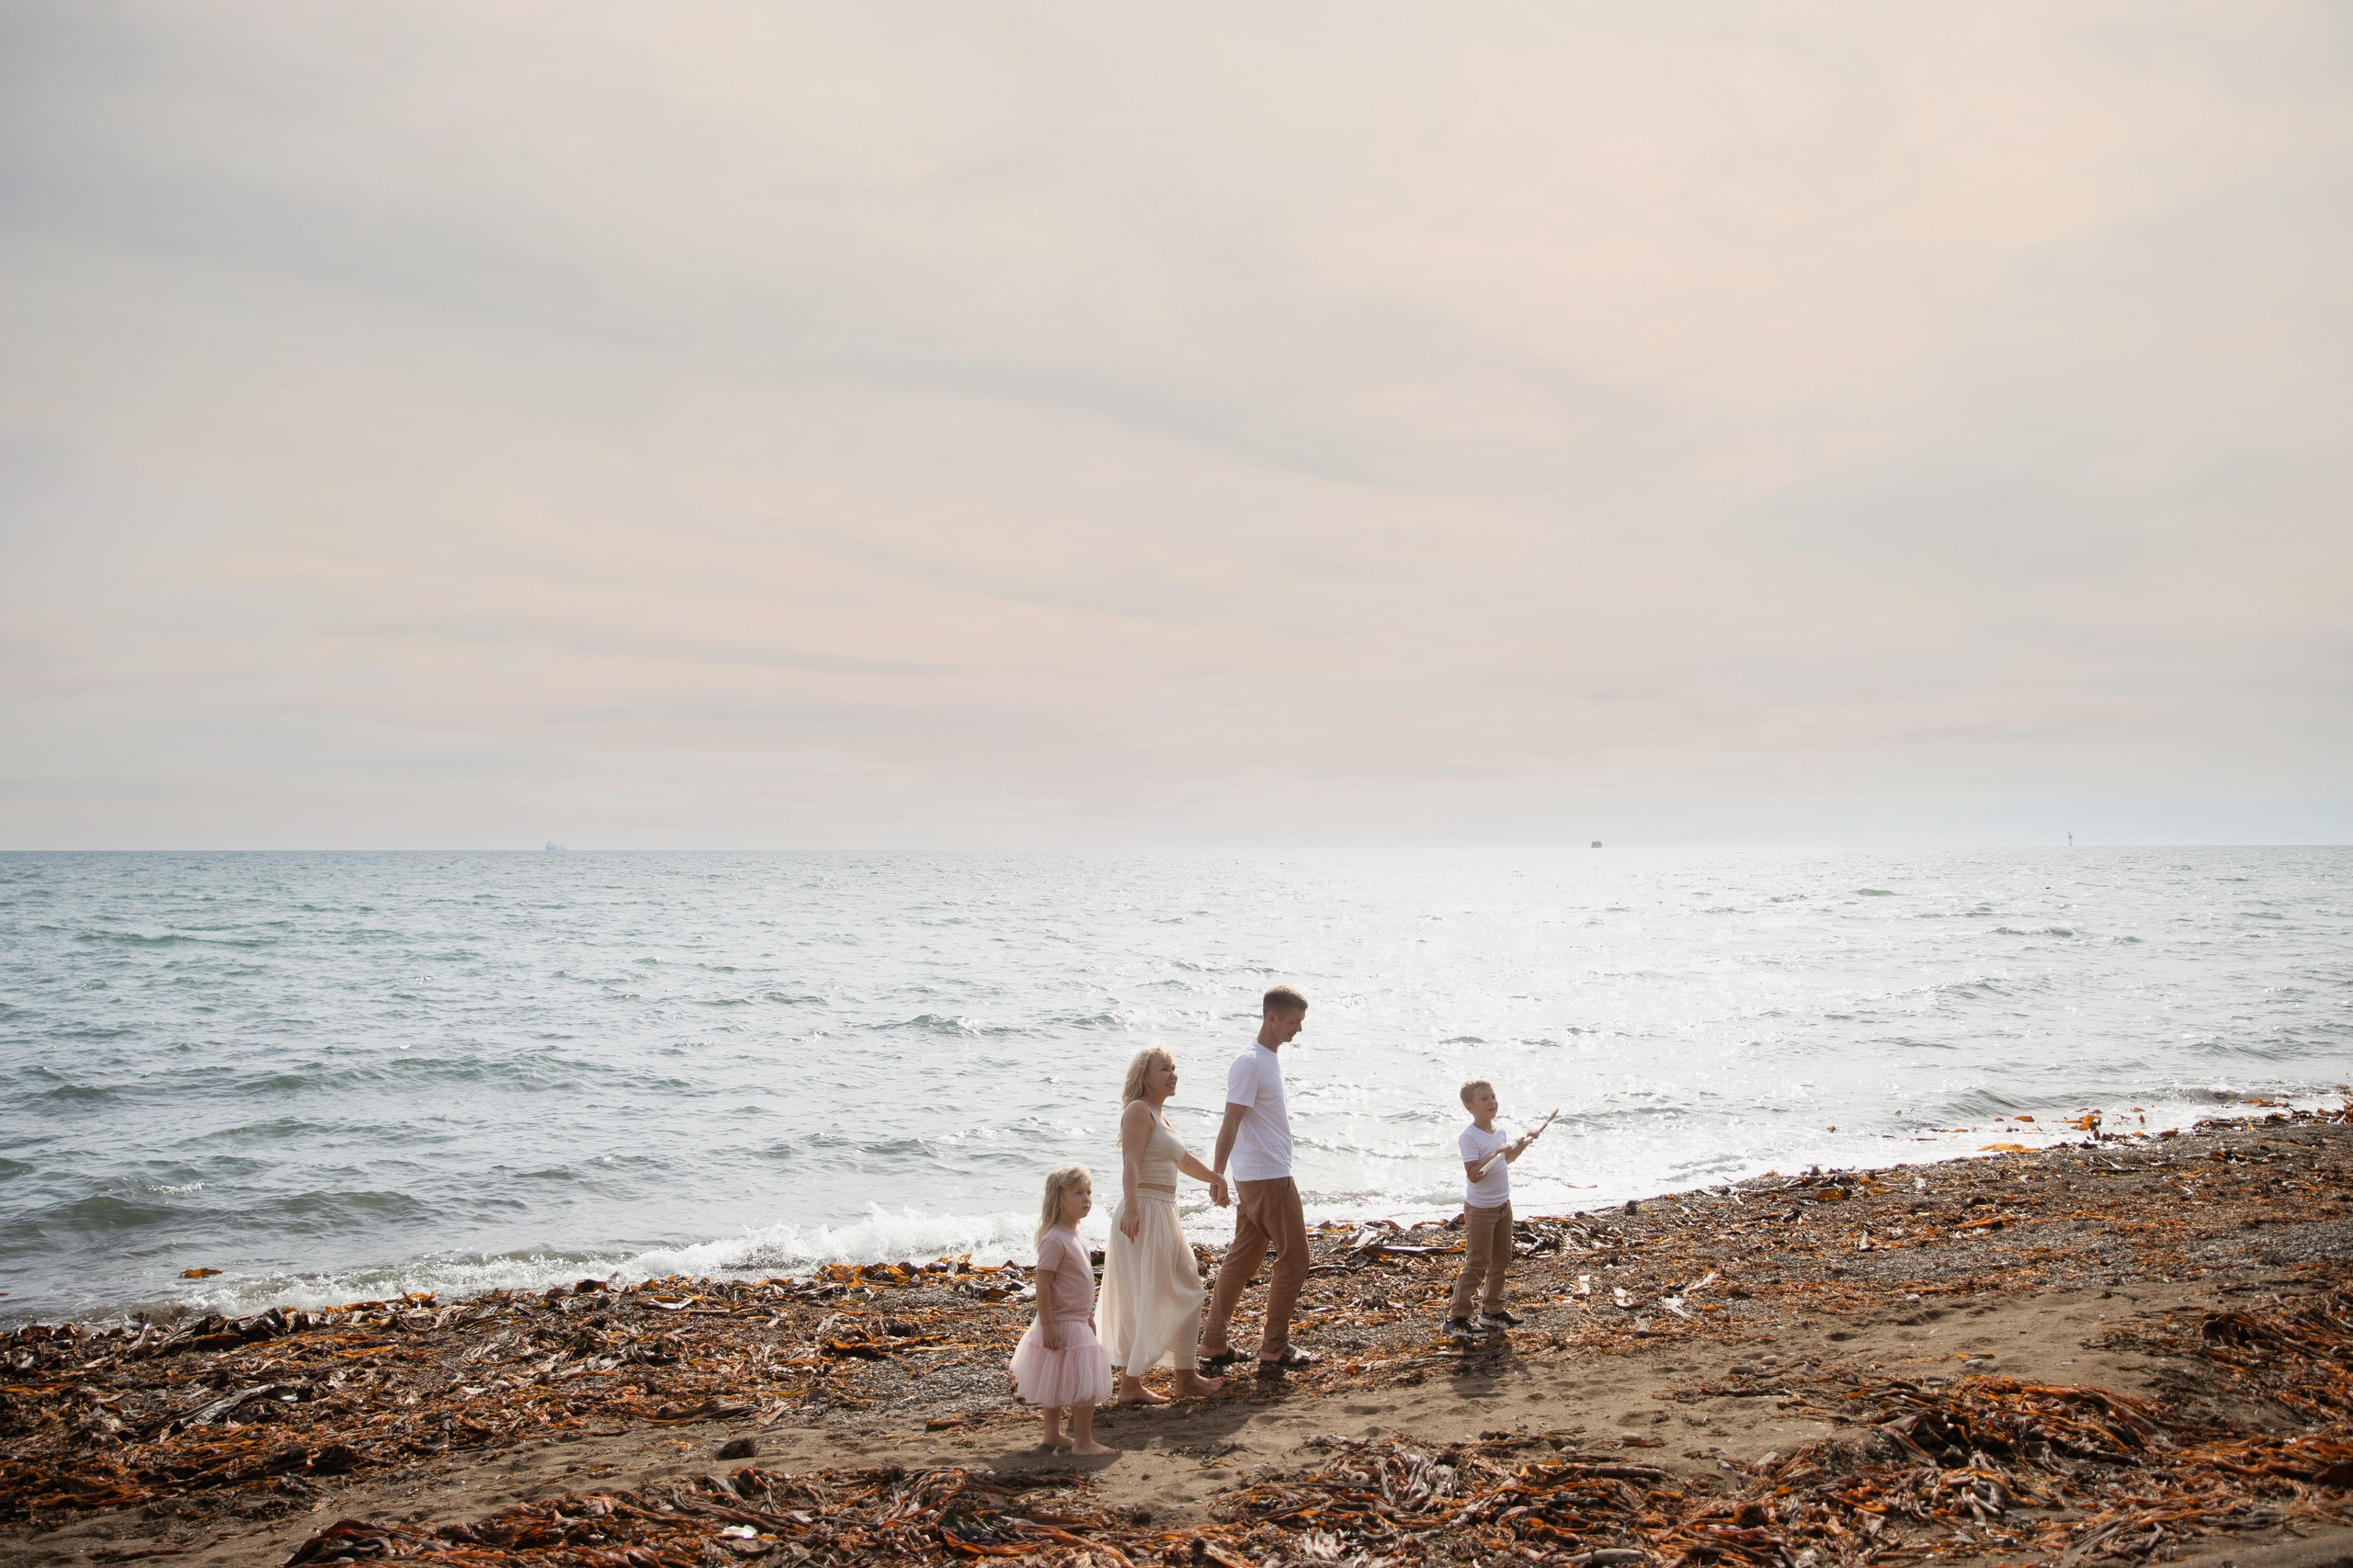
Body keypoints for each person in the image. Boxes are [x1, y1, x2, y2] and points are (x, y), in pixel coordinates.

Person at [1099, 1046, 1231, 1403]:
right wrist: (1130, 1207)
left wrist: (1216, 1178)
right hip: (1143, 1210)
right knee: (1147, 1295)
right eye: (1164, 1069)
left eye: (1174, 1068)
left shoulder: (1162, 1116)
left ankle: (1183, 1377)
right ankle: (1133, 1384)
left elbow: (1184, 1161)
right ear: (1144, 1077)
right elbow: (1130, 1162)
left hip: (1164, 1210)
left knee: (1187, 1287)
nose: (1173, 1075)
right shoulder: (1138, 1111)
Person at [1199, 985, 1317, 1375]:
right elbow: (1230, 1120)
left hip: (1256, 1177)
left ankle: (1214, 1343)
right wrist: (1217, 1175)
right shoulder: (1250, 1062)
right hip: (1268, 1178)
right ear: (1272, 1018)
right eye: (1293, 1022)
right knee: (1296, 1258)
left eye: (1300, 1022)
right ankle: (1274, 1347)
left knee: (1243, 1258)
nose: (1298, 1029)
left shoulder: (1265, 1059)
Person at [1007, 1165, 1116, 1455]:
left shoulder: (1075, 1234)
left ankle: (1053, 1435)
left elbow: (1075, 1283)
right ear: (1058, 1199)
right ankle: (1083, 1441)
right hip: (1060, 1320)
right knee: (1085, 1380)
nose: (1087, 1198)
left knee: (1056, 1377)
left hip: (1076, 1318)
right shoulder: (1055, 1238)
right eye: (1078, 1193)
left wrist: (1088, 1315)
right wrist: (1049, 1325)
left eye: (1089, 1192)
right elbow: (1042, 1286)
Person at [1445, 1078, 1540, 1340]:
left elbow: (1506, 1160)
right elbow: (1475, 1174)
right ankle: (1457, 1318)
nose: (1492, 1102)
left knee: (1501, 1260)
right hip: (1480, 1210)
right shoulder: (1469, 1137)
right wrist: (1495, 1153)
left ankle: (1492, 1312)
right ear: (1469, 1106)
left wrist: (1524, 1143)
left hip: (1502, 1205)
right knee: (1477, 1263)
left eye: (1493, 1096)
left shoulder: (1499, 1132)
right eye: (1484, 1098)